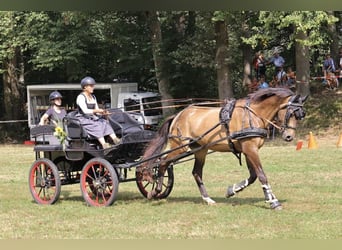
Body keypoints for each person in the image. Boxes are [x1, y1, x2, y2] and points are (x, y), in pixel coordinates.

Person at [76, 76, 120, 149]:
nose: (93, 87)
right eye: (91, 86)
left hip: (92, 117)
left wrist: (103, 113)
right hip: (83, 118)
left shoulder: (93, 97)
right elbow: (85, 111)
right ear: (85, 87)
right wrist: (97, 111)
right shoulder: (81, 97)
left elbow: (97, 110)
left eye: (93, 86)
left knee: (104, 122)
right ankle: (104, 144)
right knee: (96, 125)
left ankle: (115, 139)